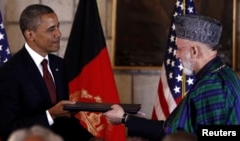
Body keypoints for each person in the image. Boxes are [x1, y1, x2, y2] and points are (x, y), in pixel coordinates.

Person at [103, 14, 240, 141]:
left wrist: (125, 118)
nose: (177, 55)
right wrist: (125, 118)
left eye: (179, 48)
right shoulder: (224, 73)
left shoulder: (212, 86)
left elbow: (189, 135)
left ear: (194, 51)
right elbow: (178, 129)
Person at [0, 4, 102, 141]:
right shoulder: (9, 73)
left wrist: (90, 139)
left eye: (58, 26)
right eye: (51, 30)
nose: (58, 34)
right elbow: (8, 129)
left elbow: (65, 121)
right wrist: (50, 115)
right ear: (30, 34)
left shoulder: (59, 65)